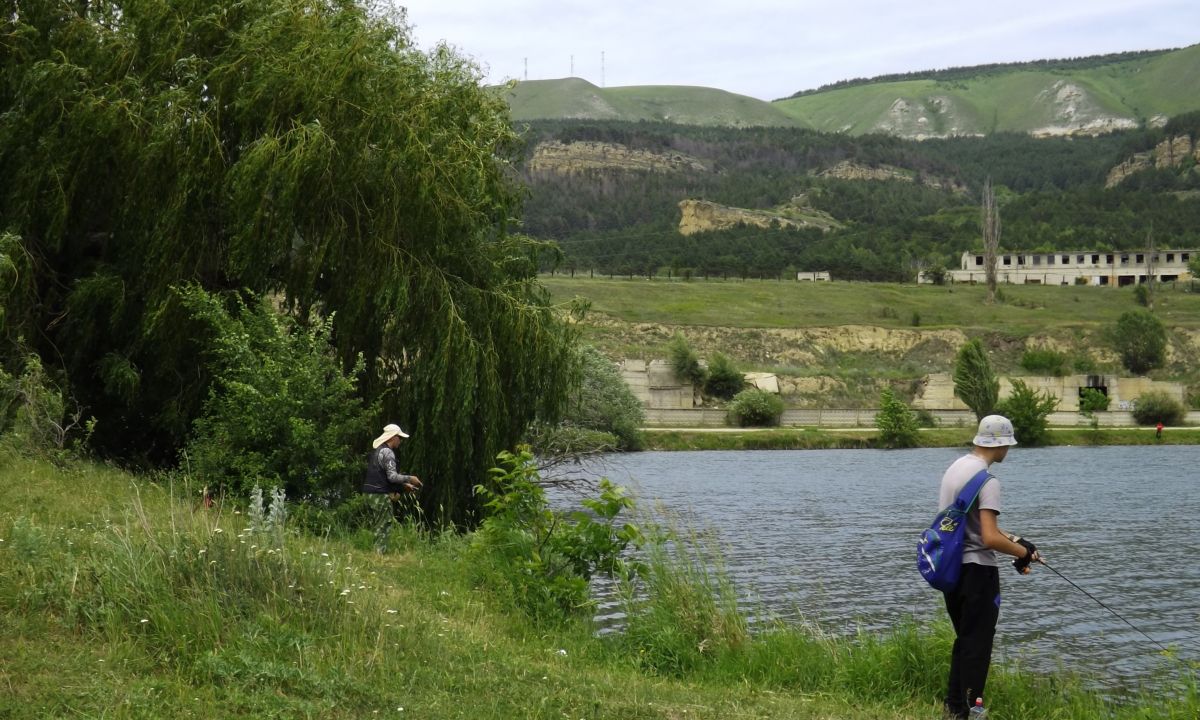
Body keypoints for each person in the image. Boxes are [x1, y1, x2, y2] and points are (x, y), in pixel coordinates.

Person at [938, 414, 1042, 720]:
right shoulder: (988, 480)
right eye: (1008, 445)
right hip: (978, 573)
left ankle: (954, 708)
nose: (1009, 451)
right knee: (978, 646)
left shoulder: (956, 468)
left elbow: (964, 524)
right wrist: (1023, 553)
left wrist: (1019, 541)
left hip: (953, 571)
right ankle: (973, 712)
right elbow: (988, 538)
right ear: (1000, 445)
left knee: (965, 640)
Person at [362, 424, 422, 542]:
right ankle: (379, 556)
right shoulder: (388, 453)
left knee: (377, 526)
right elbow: (392, 477)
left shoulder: (377, 451)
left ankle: (376, 555)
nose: (400, 441)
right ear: (393, 437)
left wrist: (403, 487)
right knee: (383, 526)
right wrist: (411, 479)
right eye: (399, 438)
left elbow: (382, 477)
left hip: (369, 493)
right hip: (379, 495)